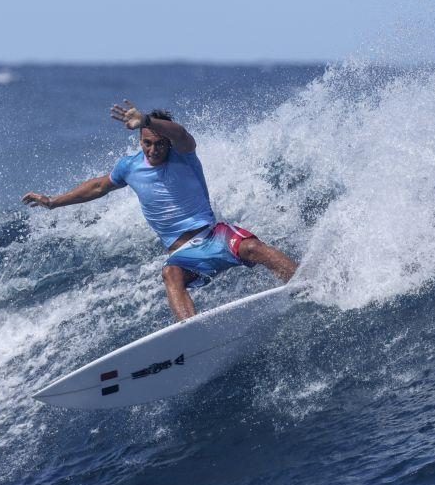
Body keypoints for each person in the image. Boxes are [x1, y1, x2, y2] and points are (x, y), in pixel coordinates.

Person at [22, 100, 298, 322]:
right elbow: (97, 187)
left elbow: (180, 134)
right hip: (184, 253)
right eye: (147, 143)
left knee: (252, 247)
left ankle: (302, 286)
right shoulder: (129, 167)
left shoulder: (184, 154)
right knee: (171, 274)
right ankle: (191, 333)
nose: (153, 150)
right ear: (140, 141)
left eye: (159, 143)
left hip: (212, 234)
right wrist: (53, 202)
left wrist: (146, 120)